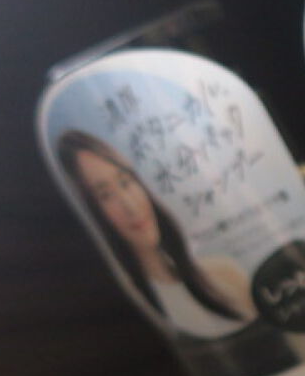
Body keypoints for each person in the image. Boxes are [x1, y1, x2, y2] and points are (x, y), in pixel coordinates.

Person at [57, 130, 255, 338]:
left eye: (125, 182)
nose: (130, 206)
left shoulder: (224, 273)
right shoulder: (134, 312)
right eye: (105, 196)